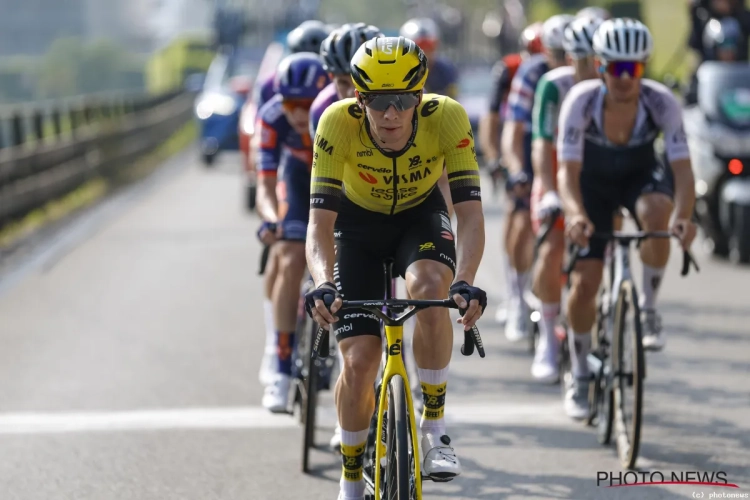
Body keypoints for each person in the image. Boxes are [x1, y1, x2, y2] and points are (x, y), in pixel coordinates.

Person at [304, 36, 487, 500]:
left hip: (418, 218)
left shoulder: (448, 117)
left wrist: (466, 279)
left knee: (432, 288)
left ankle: (435, 429)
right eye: (378, 101)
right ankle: (350, 480)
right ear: (358, 97)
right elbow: (319, 224)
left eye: (403, 100)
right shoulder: (336, 122)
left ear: (419, 97)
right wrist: (322, 282)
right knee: (359, 361)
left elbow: (470, 214)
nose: (391, 113)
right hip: (356, 229)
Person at [556, 18, 697, 418]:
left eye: (632, 68)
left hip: (639, 176)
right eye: (615, 67)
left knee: (658, 213)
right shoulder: (581, 101)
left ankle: (648, 309)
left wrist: (684, 217)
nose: (624, 78)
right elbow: (567, 172)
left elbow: (683, 170)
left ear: (643, 67)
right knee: (585, 283)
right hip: (592, 185)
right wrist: (575, 214)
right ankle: (580, 372)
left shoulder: (661, 101)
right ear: (599, 65)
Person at [310, 20, 384, 452]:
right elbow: (321, 193)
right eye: (341, 81)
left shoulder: (394, 107)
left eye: (356, 80)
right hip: (341, 203)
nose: (349, 91)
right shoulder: (327, 112)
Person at [254, 53, 331, 412]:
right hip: (299, 182)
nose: (298, 114)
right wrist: (273, 219)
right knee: (288, 257)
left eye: (305, 104)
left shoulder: (335, 111)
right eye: (290, 104)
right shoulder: (272, 117)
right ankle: (281, 370)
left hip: (338, 182)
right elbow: (265, 186)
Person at [528, 16, 602, 383]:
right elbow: (542, 144)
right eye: (583, 60)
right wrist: (549, 191)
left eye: (597, 60)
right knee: (552, 247)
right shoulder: (554, 86)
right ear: (570, 59)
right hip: (557, 173)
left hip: (597, 178)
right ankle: (548, 338)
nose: (591, 69)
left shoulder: (613, 85)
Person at [500, 13, 574, 343]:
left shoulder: (586, 73)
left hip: (572, 149)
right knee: (520, 219)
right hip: (535, 144)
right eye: (556, 54)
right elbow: (513, 130)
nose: (563, 61)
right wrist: (516, 169)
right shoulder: (532, 72)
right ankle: (517, 298)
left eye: (569, 54)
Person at [478, 21, 543, 326]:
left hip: (548, 142)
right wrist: (494, 157)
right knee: (517, 211)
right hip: (515, 142)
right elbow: (491, 118)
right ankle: (514, 291)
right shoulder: (509, 69)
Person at [400, 17, 459, 217]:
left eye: (429, 46)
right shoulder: (397, 69)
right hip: (401, 128)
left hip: (434, 126)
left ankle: (443, 223)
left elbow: (452, 103)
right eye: (419, 47)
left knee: (446, 174)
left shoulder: (446, 70)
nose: (425, 53)